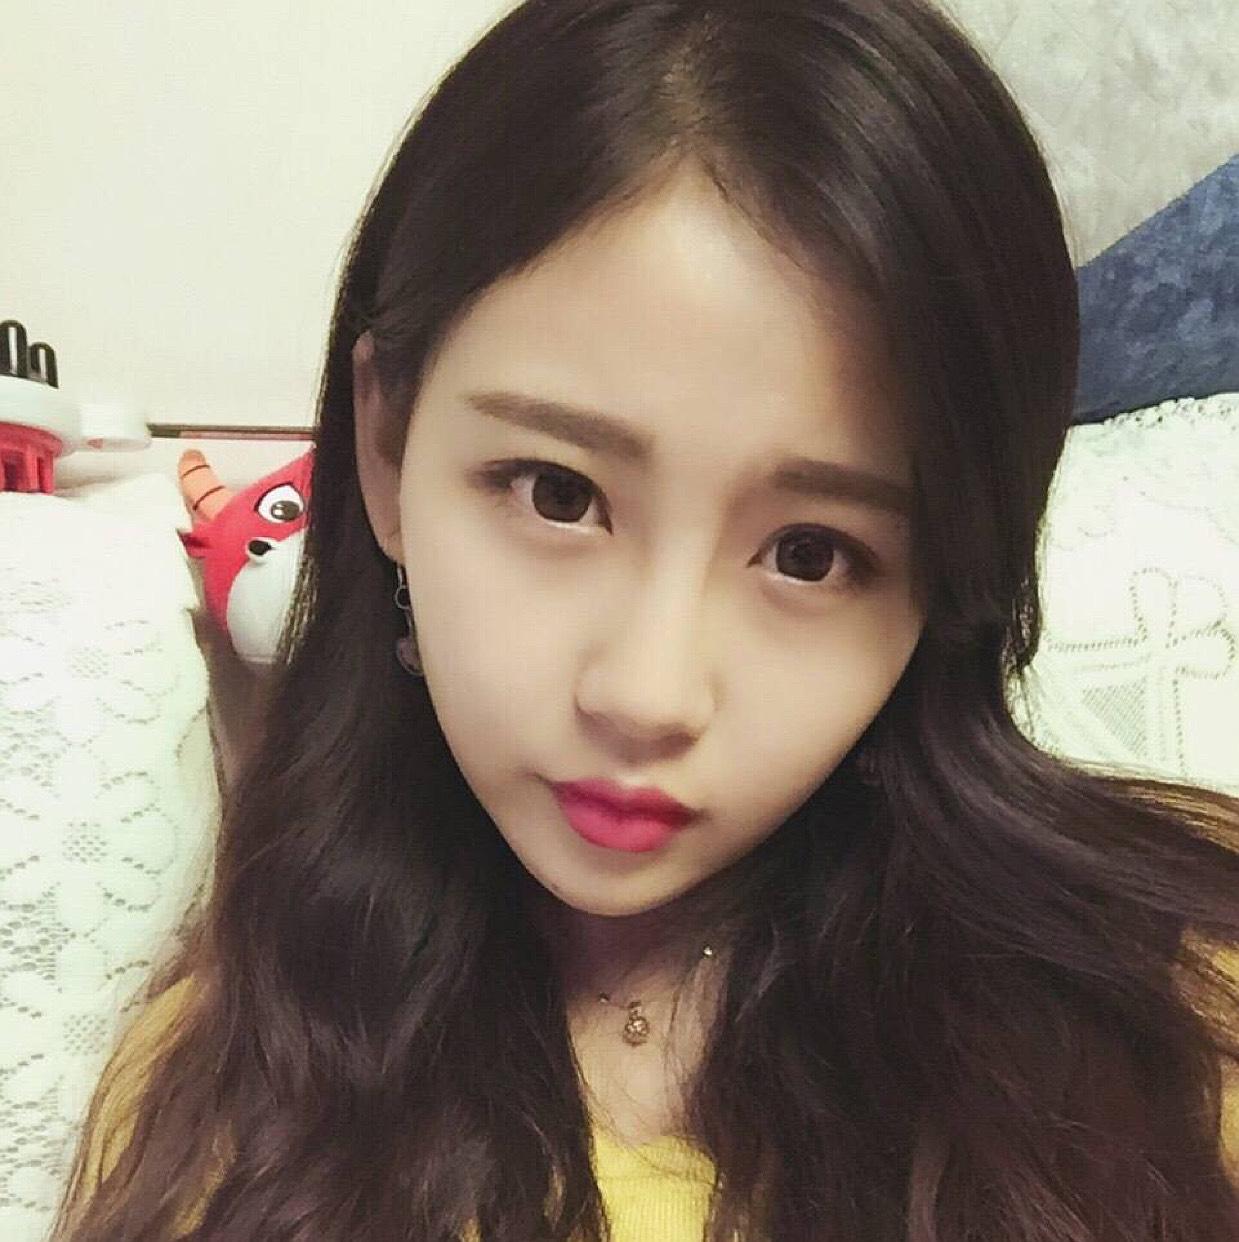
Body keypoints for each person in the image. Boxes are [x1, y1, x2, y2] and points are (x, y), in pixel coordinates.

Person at [50, 0, 1239, 1239]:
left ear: (946, 581)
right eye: (558, 495)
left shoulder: (1172, 1012)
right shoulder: (233, 1099)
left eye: (811, 555)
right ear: (387, 448)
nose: (648, 694)